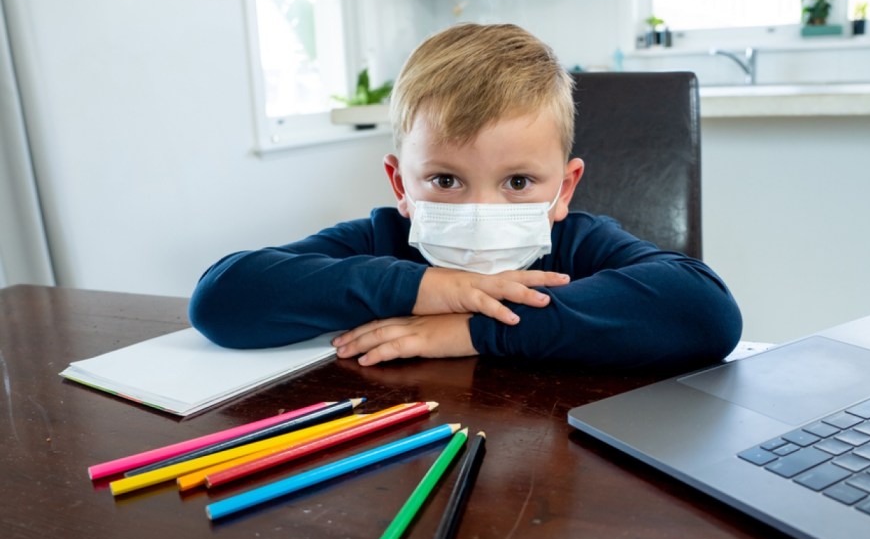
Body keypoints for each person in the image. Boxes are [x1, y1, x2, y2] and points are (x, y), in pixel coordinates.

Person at [189, 23, 742, 369]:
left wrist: (475, 329)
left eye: (518, 183)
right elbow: (221, 299)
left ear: (564, 187)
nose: (483, 211)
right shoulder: (383, 240)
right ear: (402, 185)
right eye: (447, 181)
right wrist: (431, 287)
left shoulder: (579, 243)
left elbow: (705, 312)